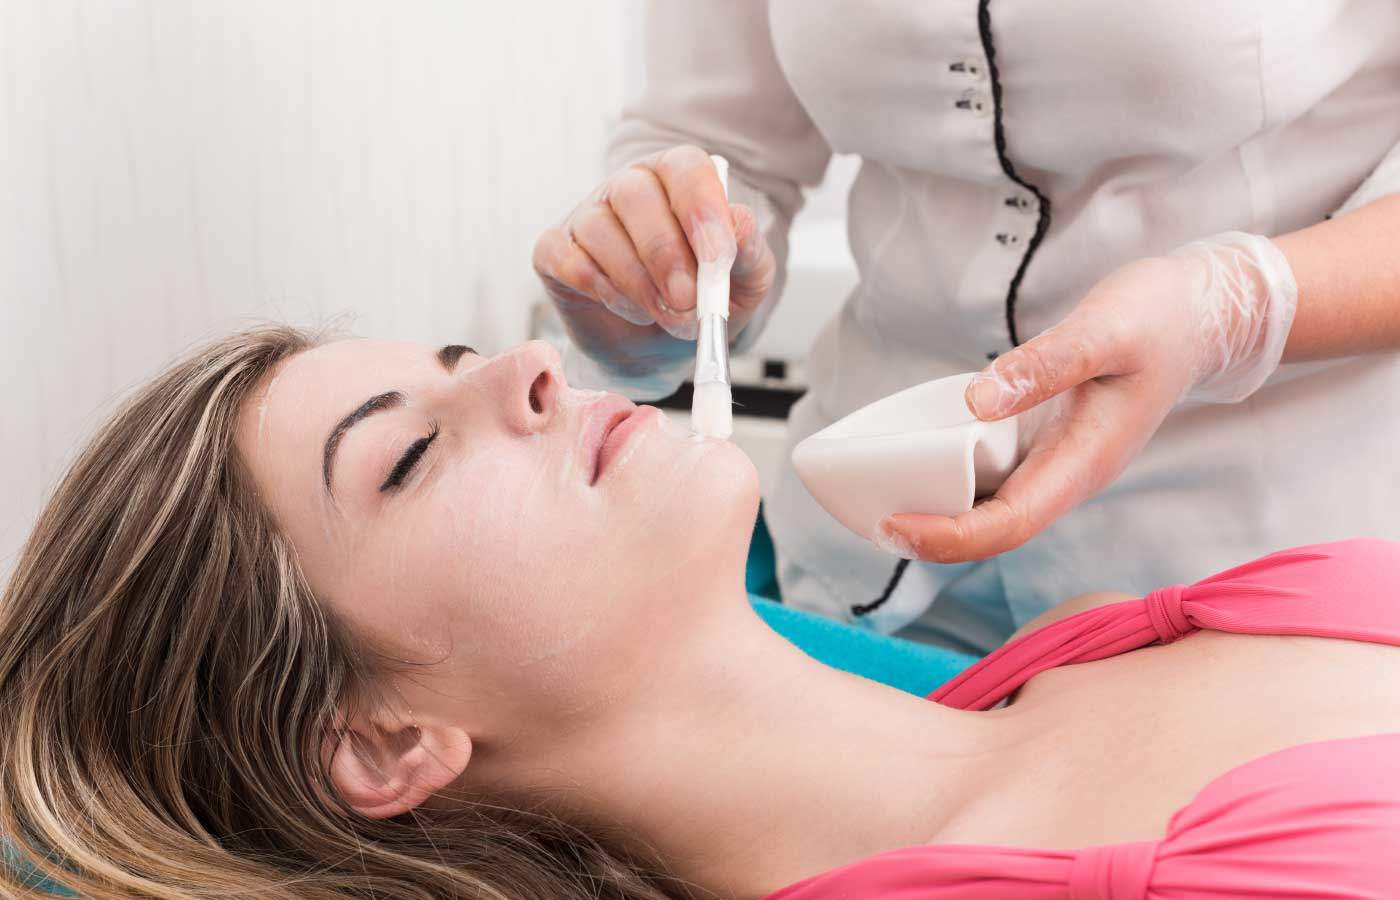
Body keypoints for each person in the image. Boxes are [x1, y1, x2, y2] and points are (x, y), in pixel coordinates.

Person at [3, 324, 1399, 899]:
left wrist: (1248, 303)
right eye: (410, 453)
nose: (530, 363)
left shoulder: (1107, 641)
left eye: (453, 353)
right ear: (380, 742)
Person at [533, 2, 1400, 652]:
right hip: (865, 575)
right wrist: (650, 281)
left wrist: (1234, 309)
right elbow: (718, 140)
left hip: (1255, 575)